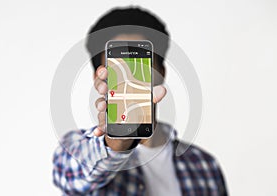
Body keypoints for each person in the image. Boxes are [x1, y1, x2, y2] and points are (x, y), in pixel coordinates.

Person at [53, 7, 228, 196]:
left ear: (161, 72)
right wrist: (118, 140)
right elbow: (76, 178)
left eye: (138, 65)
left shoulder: (205, 166)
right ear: (100, 77)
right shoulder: (74, 150)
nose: (130, 77)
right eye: (119, 66)